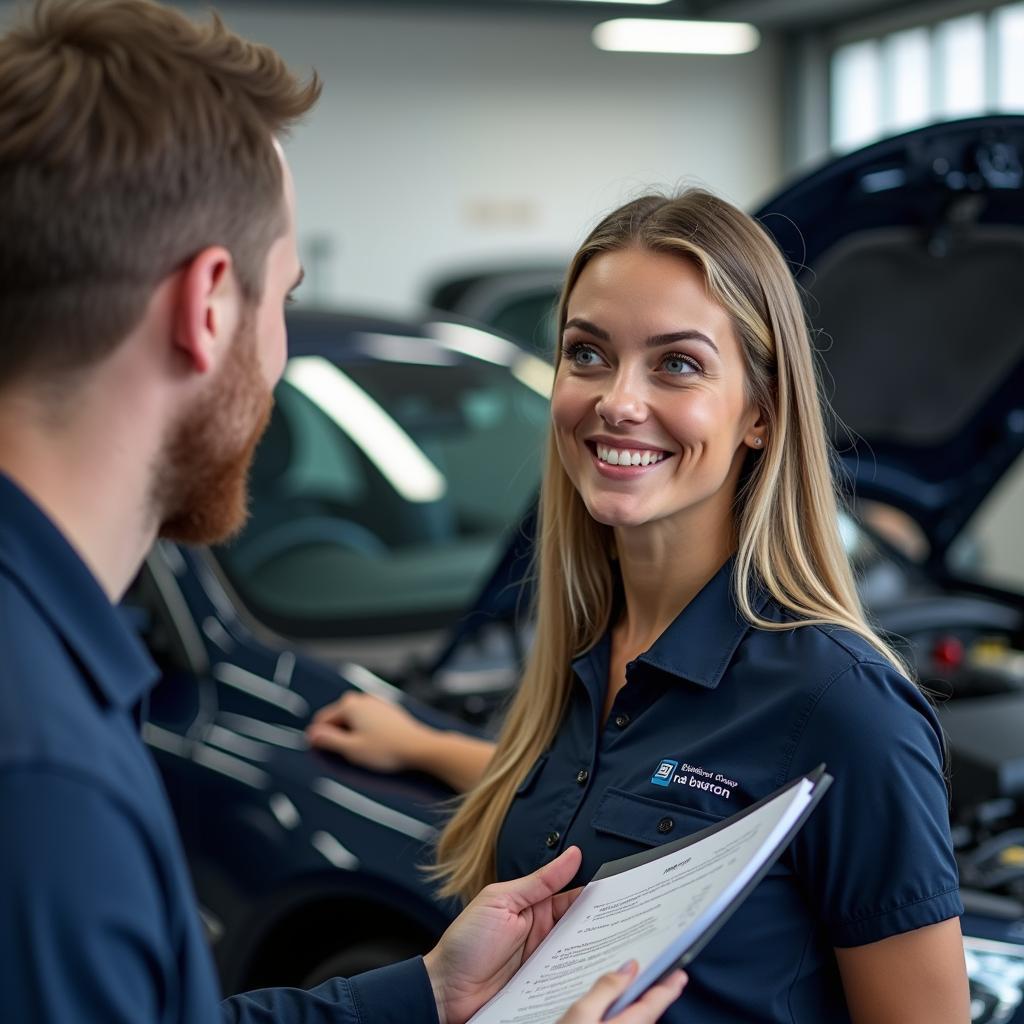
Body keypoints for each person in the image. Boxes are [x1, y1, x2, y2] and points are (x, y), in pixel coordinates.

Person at [0, 2, 689, 1022]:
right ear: (206, 307)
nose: (275, 355)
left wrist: (424, 997)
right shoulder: (43, 777)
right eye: (283, 298)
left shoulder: (46, 670)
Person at [308, 191, 972, 1022]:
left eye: (678, 364)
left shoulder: (844, 706)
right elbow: (621, 806)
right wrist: (423, 743)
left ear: (760, 414)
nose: (618, 400)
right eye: (587, 354)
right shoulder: (581, 648)